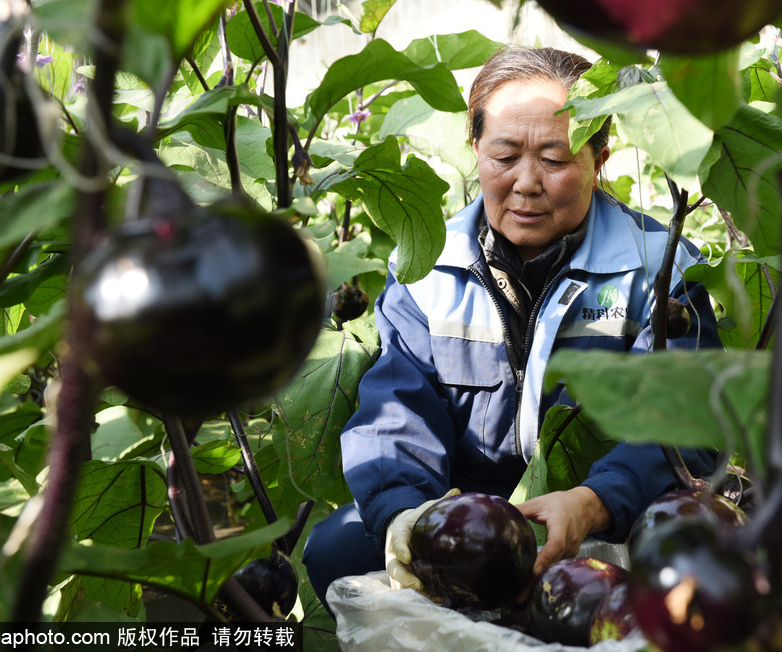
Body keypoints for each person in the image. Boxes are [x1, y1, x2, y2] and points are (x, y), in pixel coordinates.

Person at [303, 45, 721, 616]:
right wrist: (407, 513)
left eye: (555, 158)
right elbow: (395, 409)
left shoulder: (658, 267)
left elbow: (685, 417)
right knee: (338, 548)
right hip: (472, 519)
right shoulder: (427, 270)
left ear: (600, 157)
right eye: (504, 156)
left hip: (615, 510)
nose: (527, 183)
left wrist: (595, 501)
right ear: (475, 150)